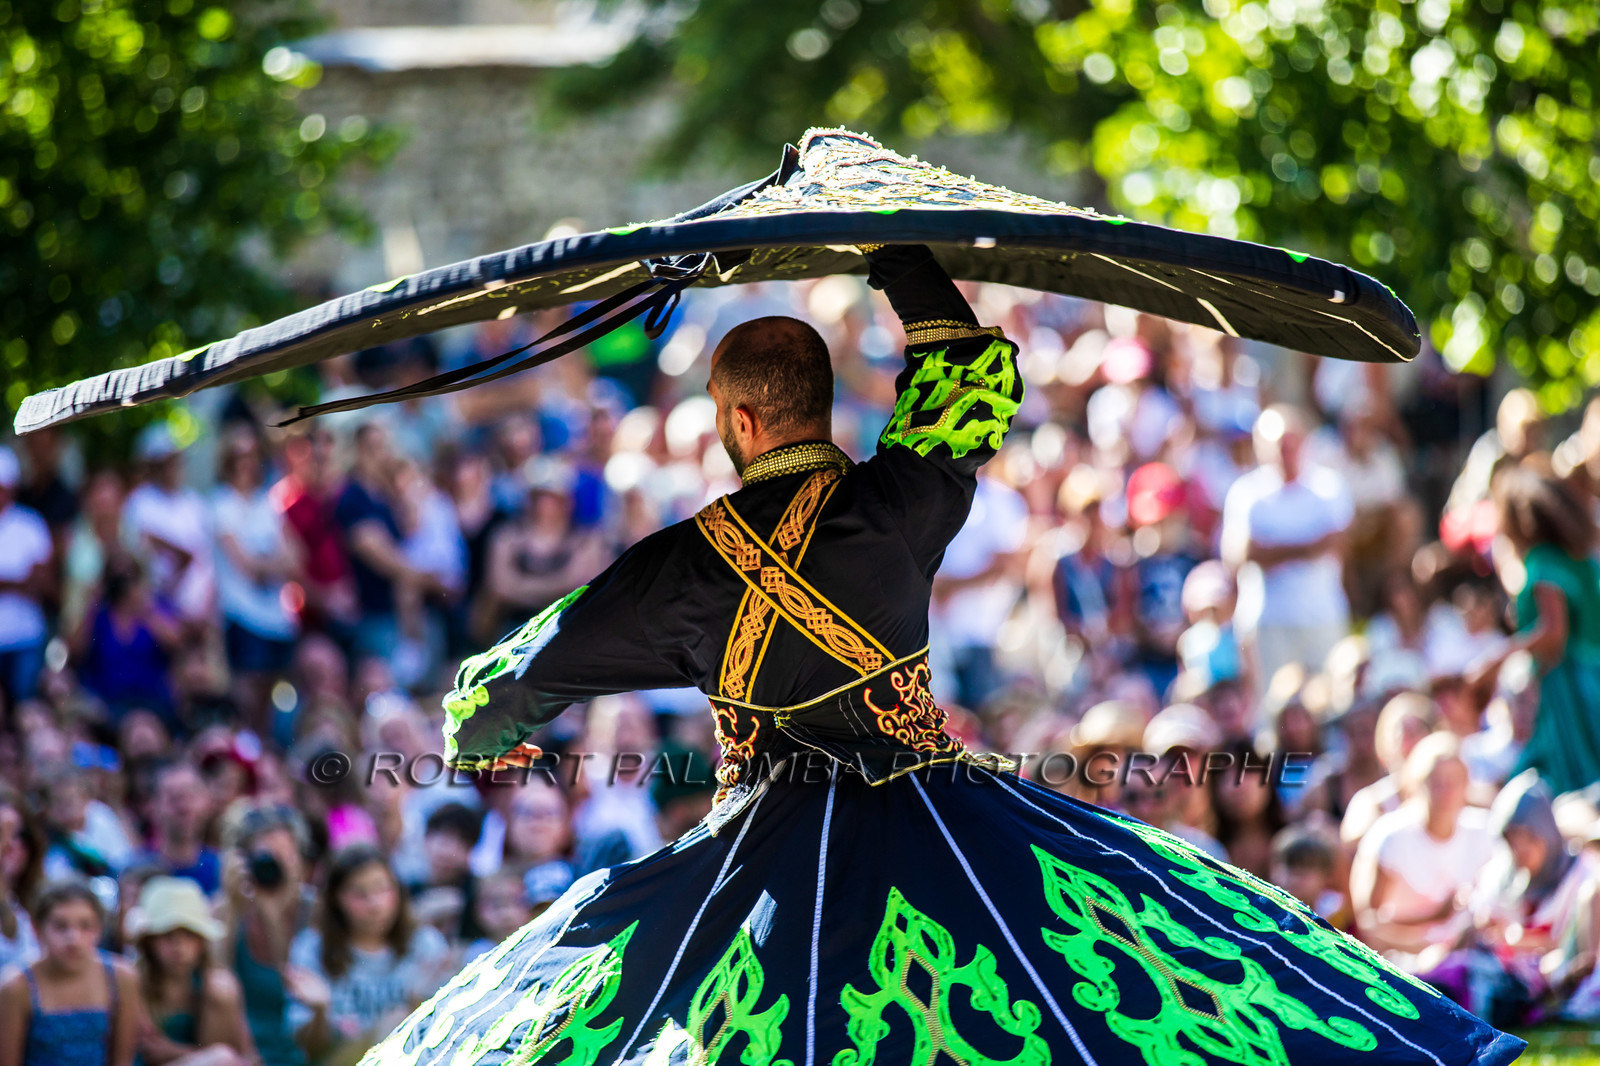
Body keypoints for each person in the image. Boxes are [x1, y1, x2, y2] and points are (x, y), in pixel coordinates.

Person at [367, 234, 1514, 1065]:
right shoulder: (898, 500)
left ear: (736, 423)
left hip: (762, 842)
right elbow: (964, 369)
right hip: (943, 818)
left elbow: (524, 676)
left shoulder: (678, 565)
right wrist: (893, 254)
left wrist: (481, 734)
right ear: (817, 407)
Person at [1481, 468, 1600, 794]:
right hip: (1593, 676)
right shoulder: (1578, 557)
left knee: (1575, 784)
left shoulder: (1543, 561)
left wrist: (1495, 660)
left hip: (1570, 686)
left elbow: (1553, 632)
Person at [1222, 404, 1354, 685]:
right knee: (1269, 707)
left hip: (1321, 617)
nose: (1286, 452)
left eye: (1292, 444)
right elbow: (1242, 553)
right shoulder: (1246, 493)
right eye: (1279, 445)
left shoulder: (1329, 488)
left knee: (1326, 702)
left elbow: (1337, 544)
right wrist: (1307, 548)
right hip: (1268, 621)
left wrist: (1274, 551)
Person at [287, 846, 451, 1065]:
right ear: (336, 899)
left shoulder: (425, 944)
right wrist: (320, 1011)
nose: (376, 904)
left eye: (383, 889)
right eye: (359, 894)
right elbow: (309, 1050)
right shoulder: (311, 948)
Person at [1351, 733, 1494, 956]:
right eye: (1436, 782)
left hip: (1469, 959)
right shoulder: (1389, 838)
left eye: (1453, 781)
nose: (1446, 792)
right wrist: (1428, 946)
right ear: (1418, 783)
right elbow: (1368, 923)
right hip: (1403, 965)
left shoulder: (1484, 831)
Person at [211, 427, 300, 731]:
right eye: (240, 455)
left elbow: (296, 556)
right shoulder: (221, 504)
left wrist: (266, 564)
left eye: (252, 454)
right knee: (247, 694)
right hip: (243, 615)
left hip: (277, 617)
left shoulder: (267, 502)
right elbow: (246, 565)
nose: (247, 462)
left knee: (273, 696)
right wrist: (273, 563)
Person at [0, 880, 140, 1066]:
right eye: (60, 926)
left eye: (85, 926)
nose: (74, 940)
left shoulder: (120, 978)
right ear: (37, 928)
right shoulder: (17, 986)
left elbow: (122, 1060)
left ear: (99, 928)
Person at [127, 876, 256, 1066]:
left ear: (202, 941)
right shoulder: (133, 983)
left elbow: (248, 1059)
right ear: (149, 942)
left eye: (188, 935)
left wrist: (175, 1052)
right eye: (168, 935)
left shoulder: (217, 988)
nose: (178, 947)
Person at [0, 447, 54, 706]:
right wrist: (17, 582)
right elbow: (29, 581)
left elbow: (42, 583)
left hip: (26, 638)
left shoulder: (30, 524)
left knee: (26, 709)